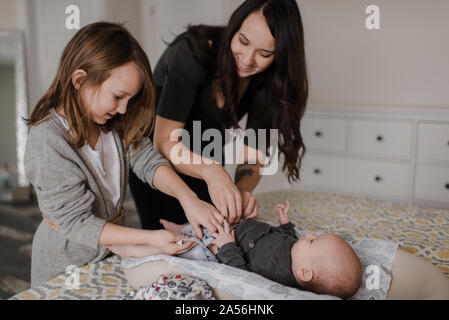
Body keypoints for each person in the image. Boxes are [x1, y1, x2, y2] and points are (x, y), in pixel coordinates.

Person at [24, 22, 224, 287]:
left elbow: (148, 161)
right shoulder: (48, 141)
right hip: (64, 266)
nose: (123, 109)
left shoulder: (113, 124)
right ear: (80, 80)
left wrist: (189, 199)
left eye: (130, 99)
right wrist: (150, 238)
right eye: (118, 96)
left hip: (109, 253)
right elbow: (78, 223)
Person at [129, 0, 309, 234]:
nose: (247, 59)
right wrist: (211, 171)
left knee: (212, 244)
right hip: (158, 166)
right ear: (234, 27)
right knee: (165, 247)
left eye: (264, 54)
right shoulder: (191, 53)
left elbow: (254, 153)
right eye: (243, 41)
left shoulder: (270, 80)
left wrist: (242, 190)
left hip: (208, 163)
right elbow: (164, 142)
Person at [109, 200, 363, 299]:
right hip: (231, 228)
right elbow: (288, 237)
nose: (309, 236)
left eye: (314, 241)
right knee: (202, 220)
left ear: (305, 273)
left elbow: (241, 273)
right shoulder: (296, 250)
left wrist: (227, 246)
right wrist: (286, 222)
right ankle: (179, 227)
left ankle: (133, 251)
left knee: (185, 247)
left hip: (216, 247)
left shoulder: (277, 270)